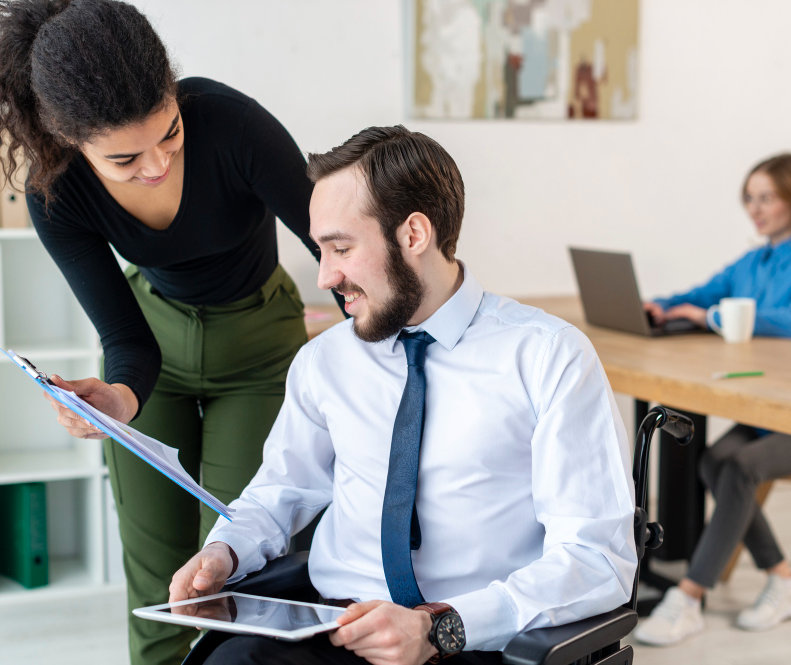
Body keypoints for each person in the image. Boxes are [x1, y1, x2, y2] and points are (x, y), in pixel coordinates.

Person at [168, 126, 638, 664]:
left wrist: (439, 629)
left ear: (414, 234)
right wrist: (224, 551)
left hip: (473, 642)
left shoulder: (548, 357)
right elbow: (281, 490)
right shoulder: (325, 361)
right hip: (336, 632)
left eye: (341, 247)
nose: (324, 277)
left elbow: (597, 559)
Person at [0, 0, 339, 663]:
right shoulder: (55, 193)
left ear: (175, 94)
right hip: (154, 350)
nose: (157, 165)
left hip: (260, 347)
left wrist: (377, 346)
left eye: (169, 133)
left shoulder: (231, 124)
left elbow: (335, 249)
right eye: (124, 159)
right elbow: (129, 342)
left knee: (234, 568)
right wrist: (117, 400)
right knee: (156, 580)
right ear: (69, 144)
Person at [634, 154, 791, 646]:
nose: (755, 207)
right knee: (714, 461)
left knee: (740, 466)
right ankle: (784, 581)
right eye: (749, 197)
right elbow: (704, 292)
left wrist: (709, 318)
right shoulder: (754, 261)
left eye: (766, 196)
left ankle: (687, 597)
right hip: (771, 408)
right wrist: (659, 308)